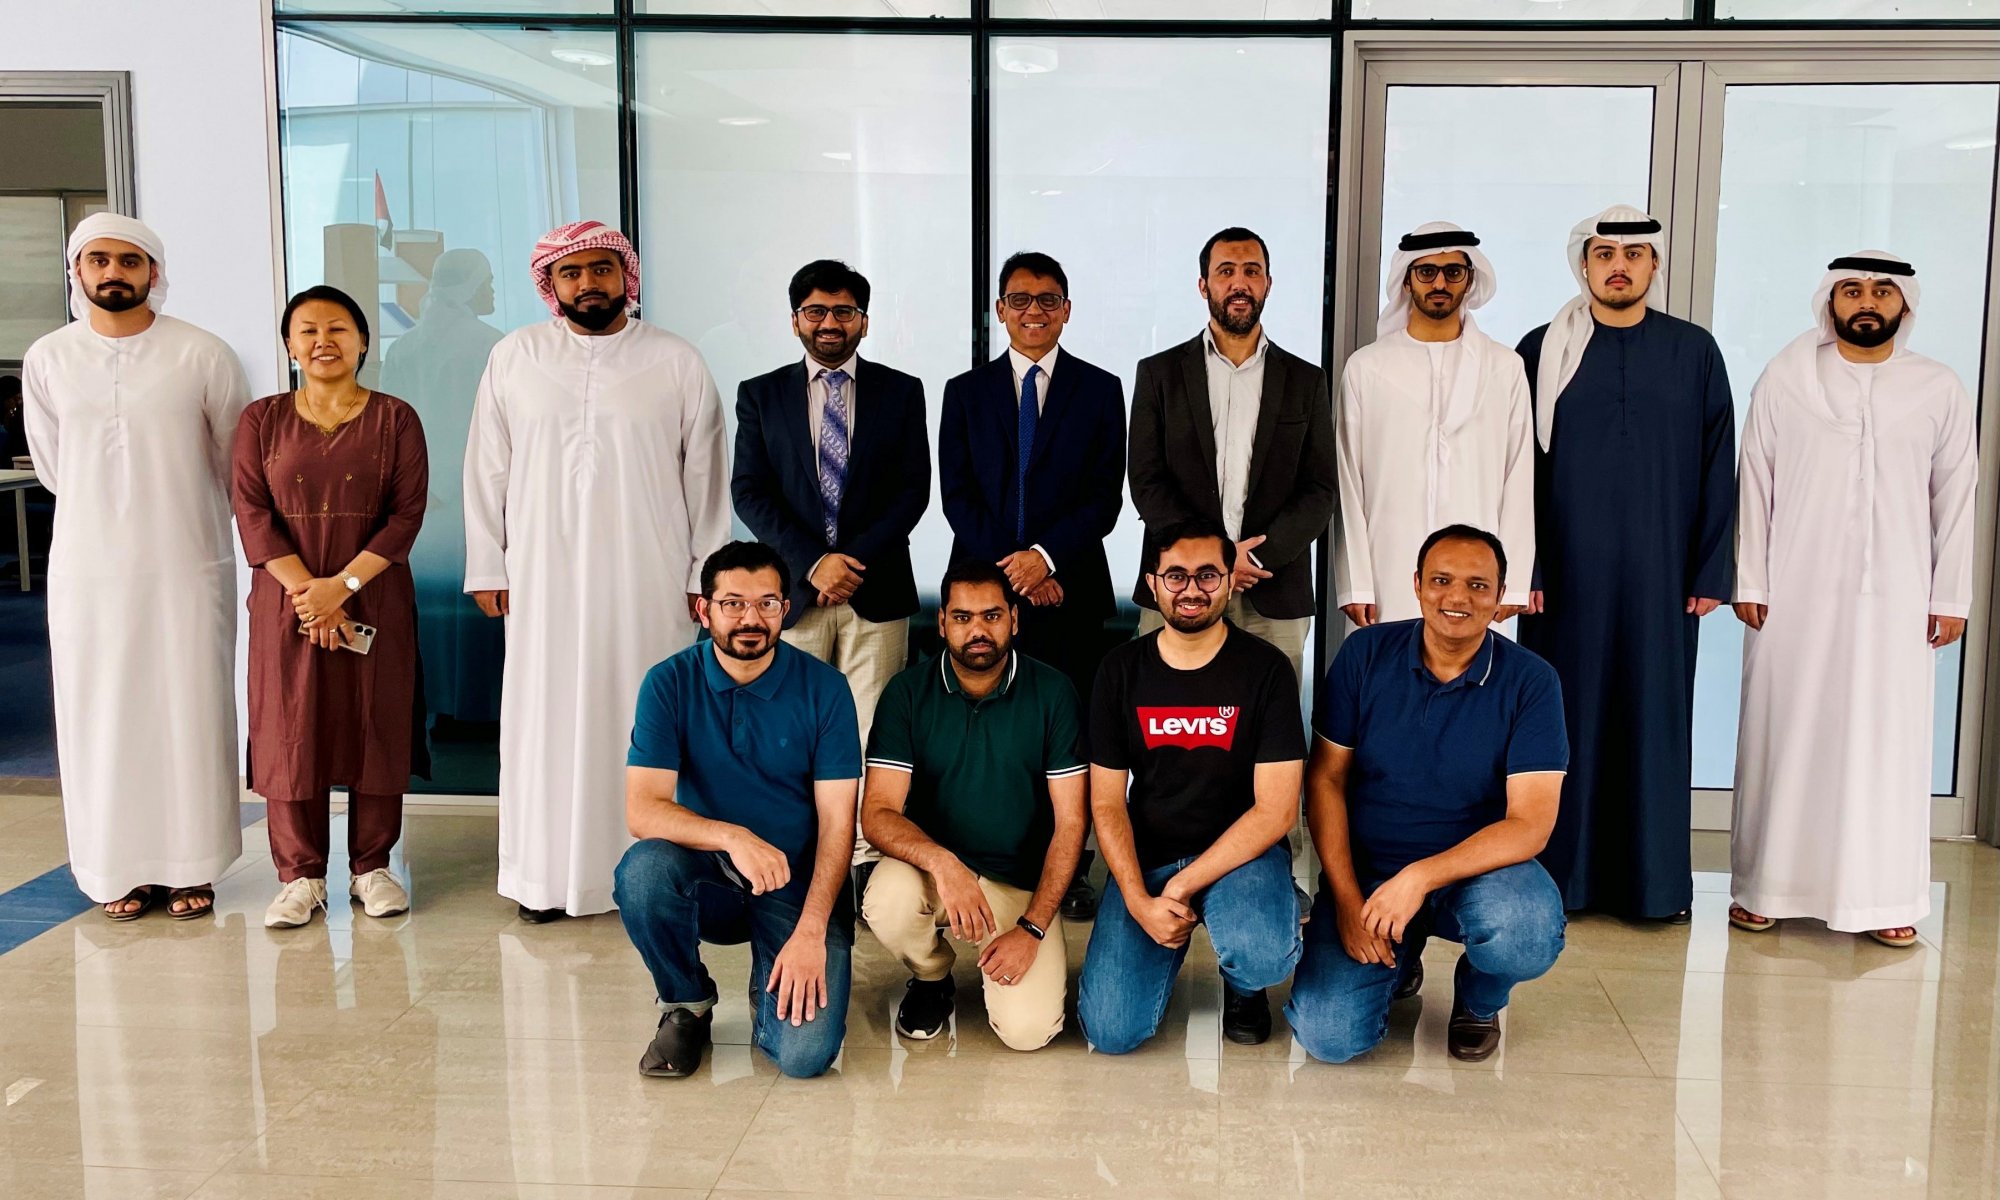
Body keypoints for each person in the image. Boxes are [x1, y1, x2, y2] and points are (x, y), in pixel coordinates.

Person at [465, 221, 731, 923]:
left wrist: (703, 577)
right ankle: (544, 878)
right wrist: (487, 562)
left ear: (625, 277)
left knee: (645, 716)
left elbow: (707, 478)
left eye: (601, 270)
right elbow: (486, 468)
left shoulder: (676, 360)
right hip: (541, 576)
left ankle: (653, 878)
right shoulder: (515, 356)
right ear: (551, 284)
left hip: (647, 576)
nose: (588, 284)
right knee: (544, 719)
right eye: (571, 272)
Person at [1729, 253, 1976, 949]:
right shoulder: (1787, 378)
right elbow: (1755, 482)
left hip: (1899, 596)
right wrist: (1750, 580)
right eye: (1852, 290)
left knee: (1885, 739)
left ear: (1905, 304)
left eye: (1882, 291)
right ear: (1829, 301)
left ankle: (1885, 894)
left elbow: (1957, 496)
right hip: (1792, 592)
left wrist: (1951, 594)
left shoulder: (1938, 386)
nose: (1867, 301)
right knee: (1788, 729)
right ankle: (1767, 888)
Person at [20, 213, 249, 921]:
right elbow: (55, 466)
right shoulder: (49, 358)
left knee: (187, 706)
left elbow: (236, 463)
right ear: (77, 271)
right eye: (99, 260)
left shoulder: (203, 354)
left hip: (186, 561)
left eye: (129, 260)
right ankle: (113, 866)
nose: (113, 273)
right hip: (88, 569)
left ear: (154, 271)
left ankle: (191, 865)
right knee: (100, 713)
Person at [1516, 204, 1736, 922]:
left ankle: (1654, 889)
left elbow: (1719, 465)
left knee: (1653, 721)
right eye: (1605, 253)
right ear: (1583, 264)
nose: (1619, 266)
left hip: (1661, 578)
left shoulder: (1694, 352)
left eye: (1633, 254)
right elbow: (1516, 468)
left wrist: (1711, 570)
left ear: (1654, 265)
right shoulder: (1541, 349)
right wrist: (1525, 568)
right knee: (1564, 721)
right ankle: (1563, 880)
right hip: (1563, 583)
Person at [1286, 525, 1568, 1064]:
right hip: (1371, 874)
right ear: (1416, 584)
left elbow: (1531, 824)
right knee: (1328, 1037)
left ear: (1500, 596)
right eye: (1441, 580)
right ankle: (1400, 955)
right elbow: (1325, 781)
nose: (1457, 597)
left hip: (1478, 872)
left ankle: (1479, 1000)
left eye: (1478, 585)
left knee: (1526, 934)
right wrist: (1346, 901)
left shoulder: (1532, 681)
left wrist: (1419, 877)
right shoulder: (1365, 653)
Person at [613, 541, 861, 1080]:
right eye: (733, 603)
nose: (751, 619)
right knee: (643, 872)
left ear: (786, 609)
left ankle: (769, 978)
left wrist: (811, 930)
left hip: (797, 884)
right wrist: (734, 838)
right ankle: (687, 1005)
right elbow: (642, 811)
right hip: (712, 877)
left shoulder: (826, 689)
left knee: (804, 1056)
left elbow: (839, 822)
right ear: (705, 610)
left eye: (767, 603)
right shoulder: (668, 683)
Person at [233, 285, 429, 928]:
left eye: (339, 328)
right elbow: (252, 514)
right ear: (290, 346)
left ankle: (372, 868)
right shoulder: (260, 420)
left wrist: (338, 589)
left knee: (376, 722)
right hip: (287, 600)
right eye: (309, 330)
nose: (324, 341)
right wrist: (310, 596)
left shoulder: (396, 419)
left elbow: (406, 515)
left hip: (373, 592)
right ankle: (300, 877)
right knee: (291, 727)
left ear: (363, 341)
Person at [938, 249, 1125, 919]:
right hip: (983, 594)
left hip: (1070, 591)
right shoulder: (965, 392)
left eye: (1048, 300)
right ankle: (992, 856)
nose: (1034, 311)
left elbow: (1104, 497)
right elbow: (957, 495)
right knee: (991, 731)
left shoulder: (1100, 389)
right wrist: (1014, 569)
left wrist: (1045, 558)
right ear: (1000, 310)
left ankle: (1069, 867)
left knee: (1064, 731)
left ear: (1067, 310)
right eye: (1020, 299)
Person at [1078, 520, 1306, 1051]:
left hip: (1243, 856)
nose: (1191, 589)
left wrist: (1181, 888)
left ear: (1229, 580)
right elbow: (1106, 803)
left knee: (1262, 954)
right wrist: (1139, 900)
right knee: (1112, 1031)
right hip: (1151, 856)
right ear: (1152, 583)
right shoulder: (1120, 670)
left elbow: (1276, 812)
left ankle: (1244, 985)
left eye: (1208, 575)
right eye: (1175, 576)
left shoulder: (1266, 670)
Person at [732, 259, 928, 864]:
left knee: (872, 732)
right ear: (795, 320)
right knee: (791, 728)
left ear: (864, 321)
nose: (830, 323)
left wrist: (850, 562)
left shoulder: (902, 390)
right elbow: (749, 492)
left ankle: (865, 858)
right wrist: (815, 562)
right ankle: (794, 851)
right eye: (816, 311)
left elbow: (912, 490)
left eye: (844, 311)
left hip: (876, 589)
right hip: (795, 594)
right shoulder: (761, 394)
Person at [860, 560, 1088, 1051]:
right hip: (936, 872)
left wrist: (1032, 927)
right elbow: (877, 813)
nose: (977, 630)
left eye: (992, 616)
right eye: (962, 618)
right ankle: (931, 976)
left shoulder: (1054, 692)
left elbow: (1072, 824)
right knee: (887, 901)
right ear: (942, 622)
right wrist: (944, 864)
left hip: (1018, 882)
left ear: (1014, 620)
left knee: (1028, 1033)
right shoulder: (906, 693)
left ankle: (1015, 947)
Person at [1127, 227, 1336, 686]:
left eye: (1251, 272)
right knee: (1170, 711)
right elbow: (1146, 479)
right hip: (1177, 584)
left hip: (1271, 588)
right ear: (1203, 285)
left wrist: (1254, 560)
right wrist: (1214, 560)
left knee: (1270, 717)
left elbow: (1319, 489)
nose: (1239, 283)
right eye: (1226, 272)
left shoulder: (1306, 381)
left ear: (1268, 284)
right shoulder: (1159, 374)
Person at [1335, 222, 1533, 627]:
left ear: (1470, 279)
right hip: (1388, 564)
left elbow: (1519, 475)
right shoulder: (1367, 367)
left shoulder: (1504, 367)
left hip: (1478, 570)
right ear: (1407, 280)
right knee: (1389, 660)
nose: (1440, 283)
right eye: (1426, 271)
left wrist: (1511, 583)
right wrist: (1355, 583)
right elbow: (1348, 480)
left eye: (1453, 272)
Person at [380, 247, 504, 728]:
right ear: (470, 287)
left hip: (424, 500)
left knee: (432, 607)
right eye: (487, 281)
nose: (492, 290)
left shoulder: (405, 347)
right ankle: (481, 709)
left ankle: (438, 708)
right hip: (476, 498)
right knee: (478, 601)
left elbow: (390, 430)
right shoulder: (494, 347)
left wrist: (415, 486)